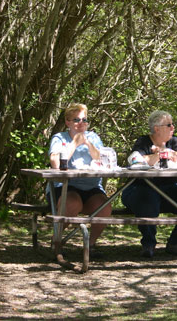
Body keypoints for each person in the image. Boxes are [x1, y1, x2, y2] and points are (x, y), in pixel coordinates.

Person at [121, 110, 177, 258]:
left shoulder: (175, 142)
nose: (173, 128)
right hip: (139, 189)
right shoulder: (143, 141)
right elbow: (135, 159)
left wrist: (170, 152)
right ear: (157, 128)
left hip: (169, 190)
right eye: (169, 125)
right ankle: (148, 244)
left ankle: (176, 243)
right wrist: (158, 155)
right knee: (148, 199)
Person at [47, 103, 112, 257]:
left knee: (105, 207)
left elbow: (103, 160)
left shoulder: (93, 137)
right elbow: (56, 164)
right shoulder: (59, 138)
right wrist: (75, 143)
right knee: (72, 203)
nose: (81, 123)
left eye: (84, 120)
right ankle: (56, 241)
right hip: (64, 186)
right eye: (77, 120)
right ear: (68, 122)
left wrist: (88, 143)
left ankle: (91, 245)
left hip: (91, 187)